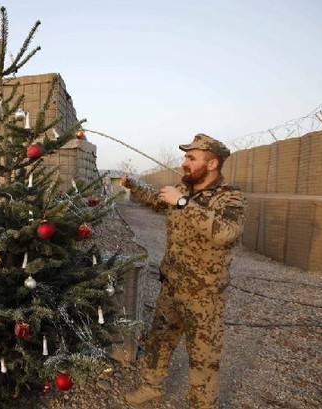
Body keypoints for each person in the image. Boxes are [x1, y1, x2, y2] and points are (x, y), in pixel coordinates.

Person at [121, 134, 246, 408]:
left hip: (204, 294)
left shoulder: (229, 197)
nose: (185, 163)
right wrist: (132, 184)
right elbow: (156, 200)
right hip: (172, 285)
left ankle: (203, 404)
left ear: (212, 163)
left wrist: (183, 204)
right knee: (159, 341)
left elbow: (227, 232)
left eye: (192, 158)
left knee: (203, 354)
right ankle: (151, 387)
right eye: (185, 157)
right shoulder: (183, 189)